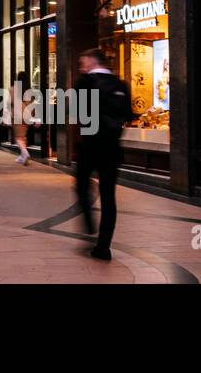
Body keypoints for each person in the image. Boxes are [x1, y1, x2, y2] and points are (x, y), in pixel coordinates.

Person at [74, 49, 132, 260]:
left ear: (91, 61)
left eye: (82, 61)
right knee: (109, 198)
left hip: (90, 146)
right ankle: (104, 246)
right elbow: (128, 115)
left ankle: (89, 223)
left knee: (81, 185)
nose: (81, 66)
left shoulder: (84, 82)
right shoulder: (121, 85)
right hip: (112, 148)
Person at [1, 71, 32, 164]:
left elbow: (8, 104)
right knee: (23, 136)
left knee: (18, 137)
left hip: (17, 115)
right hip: (27, 115)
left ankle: (25, 153)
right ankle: (22, 157)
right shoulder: (29, 90)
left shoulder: (13, 89)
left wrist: (5, 115)